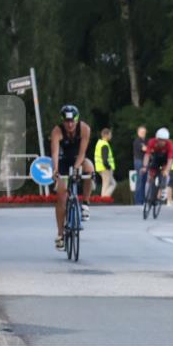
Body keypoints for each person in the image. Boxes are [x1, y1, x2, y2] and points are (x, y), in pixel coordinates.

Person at [50, 105, 95, 250]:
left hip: (78, 159)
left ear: (77, 119)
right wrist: (55, 170)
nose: (70, 125)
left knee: (90, 169)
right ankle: (60, 234)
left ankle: (85, 204)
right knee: (61, 195)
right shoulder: (57, 131)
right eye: (67, 121)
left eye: (72, 121)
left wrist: (76, 168)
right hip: (63, 161)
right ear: (62, 121)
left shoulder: (85, 129)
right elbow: (55, 153)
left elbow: (82, 153)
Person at [141, 127, 173, 203]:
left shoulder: (170, 144)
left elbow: (170, 160)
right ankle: (149, 195)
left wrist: (167, 170)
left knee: (164, 175)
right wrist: (144, 166)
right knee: (151, 174)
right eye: (160, 140)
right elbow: (147, 155)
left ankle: (163, 188)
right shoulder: (152, 142)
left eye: (164, 140)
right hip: (156, 158)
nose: (162, 142)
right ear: (157, 139)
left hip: (165, 159)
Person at [94, 127, 116, 198]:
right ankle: (104, 199)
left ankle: (104, 198)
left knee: (112, 184)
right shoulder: (104, 145)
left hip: (100, 167)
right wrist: (108, 167)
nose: (111, 136)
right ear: (106, 135)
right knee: (107, 185)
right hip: (105, 168)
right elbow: (105, 158)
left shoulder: (100, 143)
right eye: (110, 134)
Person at [133, 126, 148, 205]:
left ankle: (142, 200)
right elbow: (145, 149)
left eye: (144, 132)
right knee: (140, 181)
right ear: (138, 133)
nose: (143, 133)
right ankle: (138, 201)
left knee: (144, 181)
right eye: (142, 132)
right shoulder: (138, 141)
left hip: (145, 162)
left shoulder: (145, 141)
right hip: (139, 162)